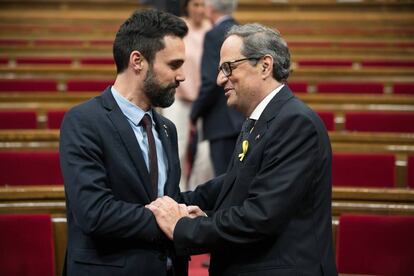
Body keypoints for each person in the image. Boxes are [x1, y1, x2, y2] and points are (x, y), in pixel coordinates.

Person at [147, 23, 338, 276]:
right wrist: (185, 204)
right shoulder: (263, 119)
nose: (219, 79)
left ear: (265, 66)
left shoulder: (295, 123)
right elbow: (238, 184)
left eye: (228, 67)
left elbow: (261, 217)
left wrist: (182, 227)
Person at [59, 10, 191, 275]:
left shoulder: (167, 128)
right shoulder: (83, 121)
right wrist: (175, 222)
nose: (182, 76)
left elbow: (167, 200)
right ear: (137, 61)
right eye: (174, 65)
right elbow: (95, 213)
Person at [162, 0, 214, 190]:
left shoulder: (213, 29)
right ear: (187, 6)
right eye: (195, 5)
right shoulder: (178, 28)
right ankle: (179, 192)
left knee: (205, 151)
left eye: (202, 5)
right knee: (177, 147)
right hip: (179, 95)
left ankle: (197, 191)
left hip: (205, 99)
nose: (199, 10)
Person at [190, 0, 244, 176]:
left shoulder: (213, 35)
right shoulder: (244, 32)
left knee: (225, 180)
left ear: (210, 9)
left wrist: (194, 114)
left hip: (221, 121)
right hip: (243, 117)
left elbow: (211, 82)